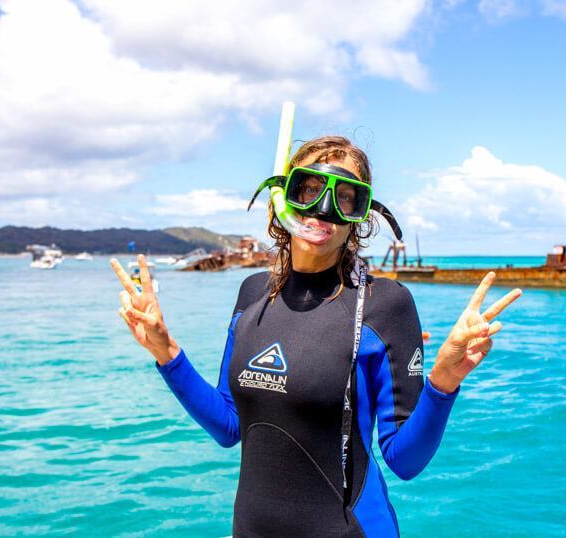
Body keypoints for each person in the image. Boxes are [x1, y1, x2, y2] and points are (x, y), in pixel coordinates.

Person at [111, 136, 521, 537]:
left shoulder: (383, 305)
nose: (322, 210)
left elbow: (404, 460)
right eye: (308, 189)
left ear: (362, 215)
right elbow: (229, 425)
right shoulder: (253, 292)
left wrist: (444, 382)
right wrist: (167, 354)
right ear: (284, 198)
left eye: (345, 198)